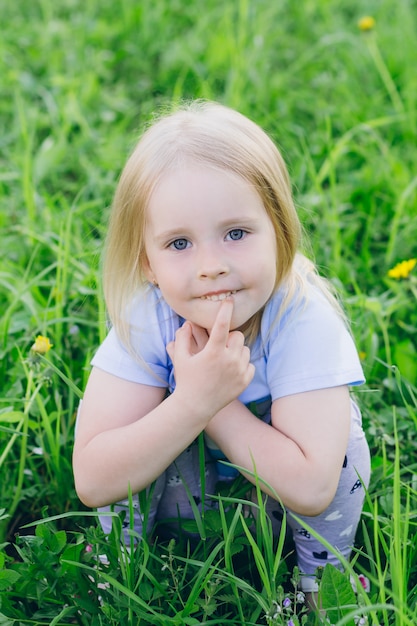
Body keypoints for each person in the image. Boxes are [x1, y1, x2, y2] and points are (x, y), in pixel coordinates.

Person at [72, 100, 371, 594]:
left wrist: (215, 404)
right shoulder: (149, 316)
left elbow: (313, 488)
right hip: (178, 510)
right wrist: (190, 402)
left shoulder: (301, 318)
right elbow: (94, 478)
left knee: (341, 446)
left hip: (272, 512)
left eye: (235, 233)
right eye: (179, 244)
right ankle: (123, 570)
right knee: (126, 435)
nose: (210, 265)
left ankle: (320, 585)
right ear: (147, 262)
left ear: (280, 231)